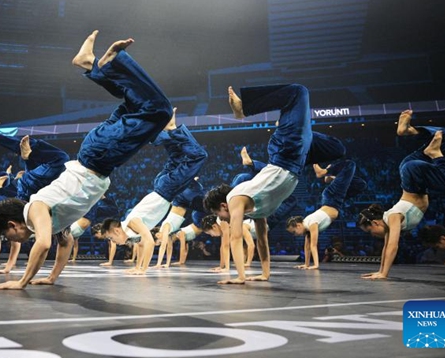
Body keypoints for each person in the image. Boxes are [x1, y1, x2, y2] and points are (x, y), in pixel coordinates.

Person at [0, 30, 173, 290]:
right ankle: (91, 65)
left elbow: (43, 244)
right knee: (135, 103)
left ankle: (96, 65)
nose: (16, 241)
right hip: (100, 157)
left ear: (12, 224)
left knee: (160, 111)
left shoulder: (36, 208)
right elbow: (66, 243)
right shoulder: (52, 221)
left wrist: (21, 282)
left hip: (98, 156)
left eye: (11, 236)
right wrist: (51, 277)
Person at [203, 84, 314, 285]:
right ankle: (277, 122)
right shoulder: (256, 212)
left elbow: (235, 239)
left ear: (223, 206)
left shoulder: (234, 199)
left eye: (220, 216)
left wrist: (240, 277)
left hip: (285, 153)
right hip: (296, 162)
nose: (223, 221)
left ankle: (243, 109)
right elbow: (262, 241)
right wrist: (265, 274)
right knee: (334, 147)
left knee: (298, 92)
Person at [101, 108, 207, 274]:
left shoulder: (132, 222)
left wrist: (142, 270)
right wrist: (137, 266)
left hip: (166, 189)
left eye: (110, 238)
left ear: (115, 230)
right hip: (162, 185)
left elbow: (150, 241)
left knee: (199, 156)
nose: (112, 241)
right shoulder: (131, 231)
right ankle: (168, 130)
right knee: (176, 158)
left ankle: (169, 131)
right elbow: (143, 245)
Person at [358, 111, 445, 280]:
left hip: (413, 175)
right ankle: (409, 131)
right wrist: (380, 270)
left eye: (369, 231)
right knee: (444, 135)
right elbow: (386, 248)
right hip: (409, 170)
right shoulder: (389, 222)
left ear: (375, 222)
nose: (372, 235)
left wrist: (383, 274)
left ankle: (435, 154)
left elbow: (393, 246)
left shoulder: (392, 217)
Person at [286, 159, 365, 270]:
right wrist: (306, 264)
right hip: (336, 202)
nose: (295, 235)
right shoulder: (307, 229)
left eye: (294, 232)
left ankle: (324, 171)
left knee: (350, 164)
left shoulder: (311, 223)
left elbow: (313, 245)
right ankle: (332, 177)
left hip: (332, 198)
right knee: (361, 185)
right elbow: (307, 247)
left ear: (298, 225)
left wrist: (316, 265)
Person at [0, 124, 70, 201]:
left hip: (29, 191)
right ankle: (28, 156)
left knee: (61, 158)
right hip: (34, 192)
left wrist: (5, 184)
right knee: (34, 154)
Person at [69, 195, 119, 263]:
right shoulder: (75, 236)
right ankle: (102, 197)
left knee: (94, 198)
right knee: (114, 210)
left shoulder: (68, 233)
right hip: (93, 216)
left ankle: (99, 195)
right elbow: (75, 246)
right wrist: (73, 259)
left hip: (87, 213)